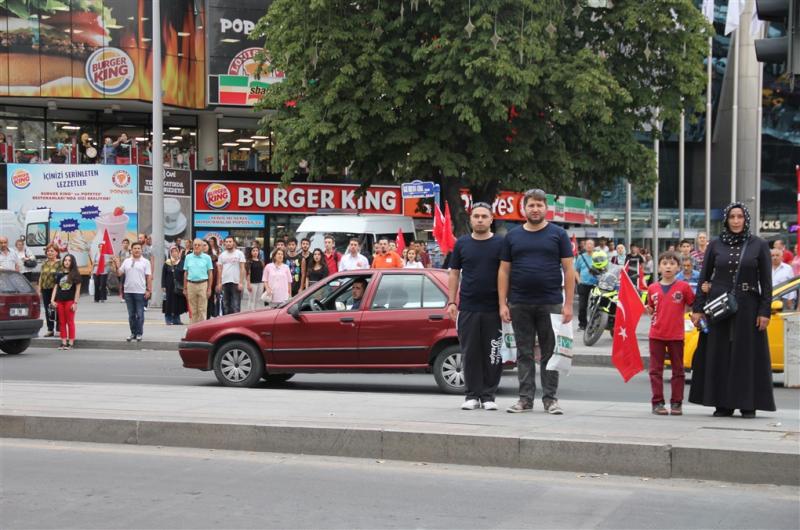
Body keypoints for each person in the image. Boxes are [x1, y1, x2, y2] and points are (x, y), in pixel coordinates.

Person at [689, 202, 774, 418]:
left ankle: (747, 403)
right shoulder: (715, 245)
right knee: (720, 354)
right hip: (719, 306)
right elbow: (704, 278)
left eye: (740, 217)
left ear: (746, 219)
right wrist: (698, 308)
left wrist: (765, 311)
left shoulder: (759, 245)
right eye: (732, 217)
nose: (736, 221)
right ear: (726, 220)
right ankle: (722, 403)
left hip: (749, 306)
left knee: (746, 355)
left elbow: (766, 281)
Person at [499, 189, 575, 415]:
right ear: (524, 208)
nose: (535, 209)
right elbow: (503, 271)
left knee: (551, 353)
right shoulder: (512, 236)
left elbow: (569, 269)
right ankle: (525, 399)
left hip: (551, 303)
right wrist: (502, 303)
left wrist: (568, 304)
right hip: (519, 302)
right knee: (523, 353)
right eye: (531, 205)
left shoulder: (558, 234)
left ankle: (550, 400)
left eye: (539, 205)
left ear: (546, 208)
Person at [447, 202, 505, 410]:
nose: (480, 219)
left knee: (493, 353)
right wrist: (452, 301)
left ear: (491, 219)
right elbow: (454, 273)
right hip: (468, 307)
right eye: (476, 216)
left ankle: (489, 396)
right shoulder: (461, 244)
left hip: (494, 309)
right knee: (469, 352)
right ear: (470, 219)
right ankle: (471, 395)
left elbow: (506, 274)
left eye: (484, 216)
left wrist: (504, 304)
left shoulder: (501, 244)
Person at [646, 251, 695, 416]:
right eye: (665, 263)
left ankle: (676, 402)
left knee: (678, 370)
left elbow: (693, 305)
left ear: (678, 268)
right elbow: (651, 307)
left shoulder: (684, 287)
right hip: (656, 335)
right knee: (655, 371)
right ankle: (657, 402)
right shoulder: (652, 287)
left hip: (676, 335)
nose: (668, 266)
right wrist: (648, 309)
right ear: (658, 267)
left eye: (672, 264)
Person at [114, 242, 152, 342]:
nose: (137, 250)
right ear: (131, 250)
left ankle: (139, 333)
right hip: (128, 292)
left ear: (141, 250)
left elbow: (148, 277)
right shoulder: (127, 261)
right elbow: (119, 273)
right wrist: (117, 265)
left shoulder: (145, 262)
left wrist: (149, 290)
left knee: (139, 314)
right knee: (131, 315)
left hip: (140, 291)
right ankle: (133, 333)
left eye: (139, 248)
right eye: (135, 248)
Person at [50, 254, 81, 350]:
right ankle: (63, 342)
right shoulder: (59, 274)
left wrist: (75, 303)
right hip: (60, 301)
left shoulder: (75, 275)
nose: (66, 262)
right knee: (61, 322)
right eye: (65, 260)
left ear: (72, 262)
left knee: (70, 322)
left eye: (69, 260)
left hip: (70, 301)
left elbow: (77, 290)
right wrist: (52, 300)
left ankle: (71, 343)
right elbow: (56, 287)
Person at [182, 239, 214, 324]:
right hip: (191, 284)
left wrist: (209, 288)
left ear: (202, 247)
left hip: (203, 284)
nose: (196, 246)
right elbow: (185, 273)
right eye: (195, 245)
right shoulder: (188, 257)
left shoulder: (207, 258)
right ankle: (193, 329)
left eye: (199, 245)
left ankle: (202, 330)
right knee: (193, 309)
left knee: (202, 309)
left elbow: (210, 273)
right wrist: (185, 288)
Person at [217, 236, 246, 315]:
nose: (228, 243)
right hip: (225, 283)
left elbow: (242, 268)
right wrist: (219, 283)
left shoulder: (239, 254)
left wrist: (241, 282)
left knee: (235, 305)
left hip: (236, 282)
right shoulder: (222, 255)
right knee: (225, 305)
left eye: (230, 242)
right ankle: (226, 325)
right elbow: (219, 270)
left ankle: (236, 324)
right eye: (227, 242)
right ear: (224, 243)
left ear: (234, 243)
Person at [38, 244, 62, 337]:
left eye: (52, 251)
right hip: (45, 289)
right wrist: (39, 288)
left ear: (56, 252)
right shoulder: (44, 263)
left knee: (57, 308)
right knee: (48, 309)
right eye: (48, 251)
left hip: (56, 289)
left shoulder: (60, 263)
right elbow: (41, 276)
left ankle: (59, 329)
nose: (49, 252)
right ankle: (50, 329)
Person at [574, 238, 597, 331]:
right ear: (585, 246)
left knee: (595, 305)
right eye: (587, 244)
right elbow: (576, 270)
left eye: (591, 244)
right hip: (583, 284)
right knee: (582, 306)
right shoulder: (581, 257)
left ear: (594, 246)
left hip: (595, 284)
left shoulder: (597, 256)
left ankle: (594, 324)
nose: (589, 246)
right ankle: (582, 324)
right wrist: (579, 280)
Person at [162, 246, 187, 325]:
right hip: (169, 286)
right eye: (172, 252)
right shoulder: (167, 262)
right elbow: (163, 275)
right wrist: (163, 286)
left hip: (179, 286)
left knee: (177, 302)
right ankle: (168, 318)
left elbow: (184, 274)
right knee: (169, 302)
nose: (174, 253)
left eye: (176, 251)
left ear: (178, 252)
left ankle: (176, 319)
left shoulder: (182, 262)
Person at [244, 246, 265, 311]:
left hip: (260, 283)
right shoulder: (249, 262)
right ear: (251, 252)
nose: (255, 252)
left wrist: (264, 282)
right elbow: (248, 274)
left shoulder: (261, 262)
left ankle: (256, 312)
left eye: (256, 251)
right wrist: (248, 284)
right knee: (252, 299)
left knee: (258, 299)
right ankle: (250, 312)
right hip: (252, 283)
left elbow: (263, 272)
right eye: (253, 251)